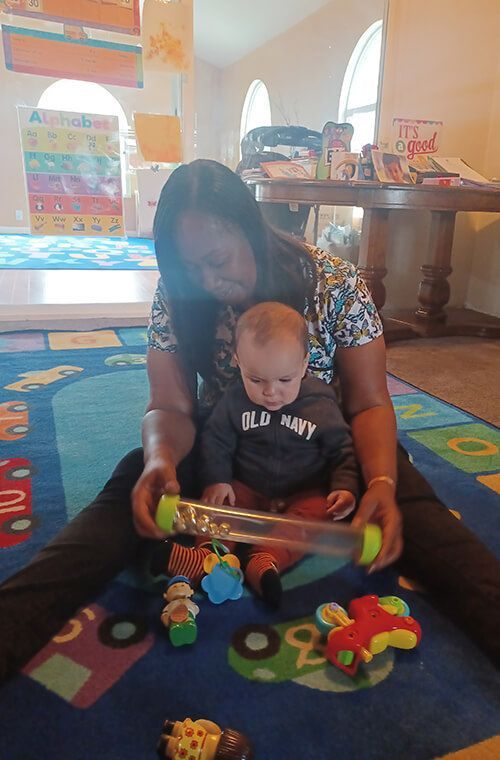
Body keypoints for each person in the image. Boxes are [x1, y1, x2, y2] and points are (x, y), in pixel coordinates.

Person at [0, 159, 499, 684]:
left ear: (249, 225)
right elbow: (169, 406)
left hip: (327, 455)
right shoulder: (179, 294)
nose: (208, 282)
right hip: (228, 455)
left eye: (217, 260)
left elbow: (370, 403)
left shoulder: (333, 282)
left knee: (420, 520)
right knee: (130, 491)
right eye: (190, 269)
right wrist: (161, 459)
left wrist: (378, 482)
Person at [152, 302, 359, 607]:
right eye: (256, 379)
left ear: (304, 365)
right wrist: (217, 480)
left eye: (285, 380)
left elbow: (343, 449)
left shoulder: (320, 405)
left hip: (303, 491)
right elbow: (215, 440)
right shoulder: (234, 401)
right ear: (238, 362)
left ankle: (264, 560)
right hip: (247, 487)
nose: (270, 392)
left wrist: (345, 487)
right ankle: (207, 556)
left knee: (316, 515)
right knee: (218, 504)